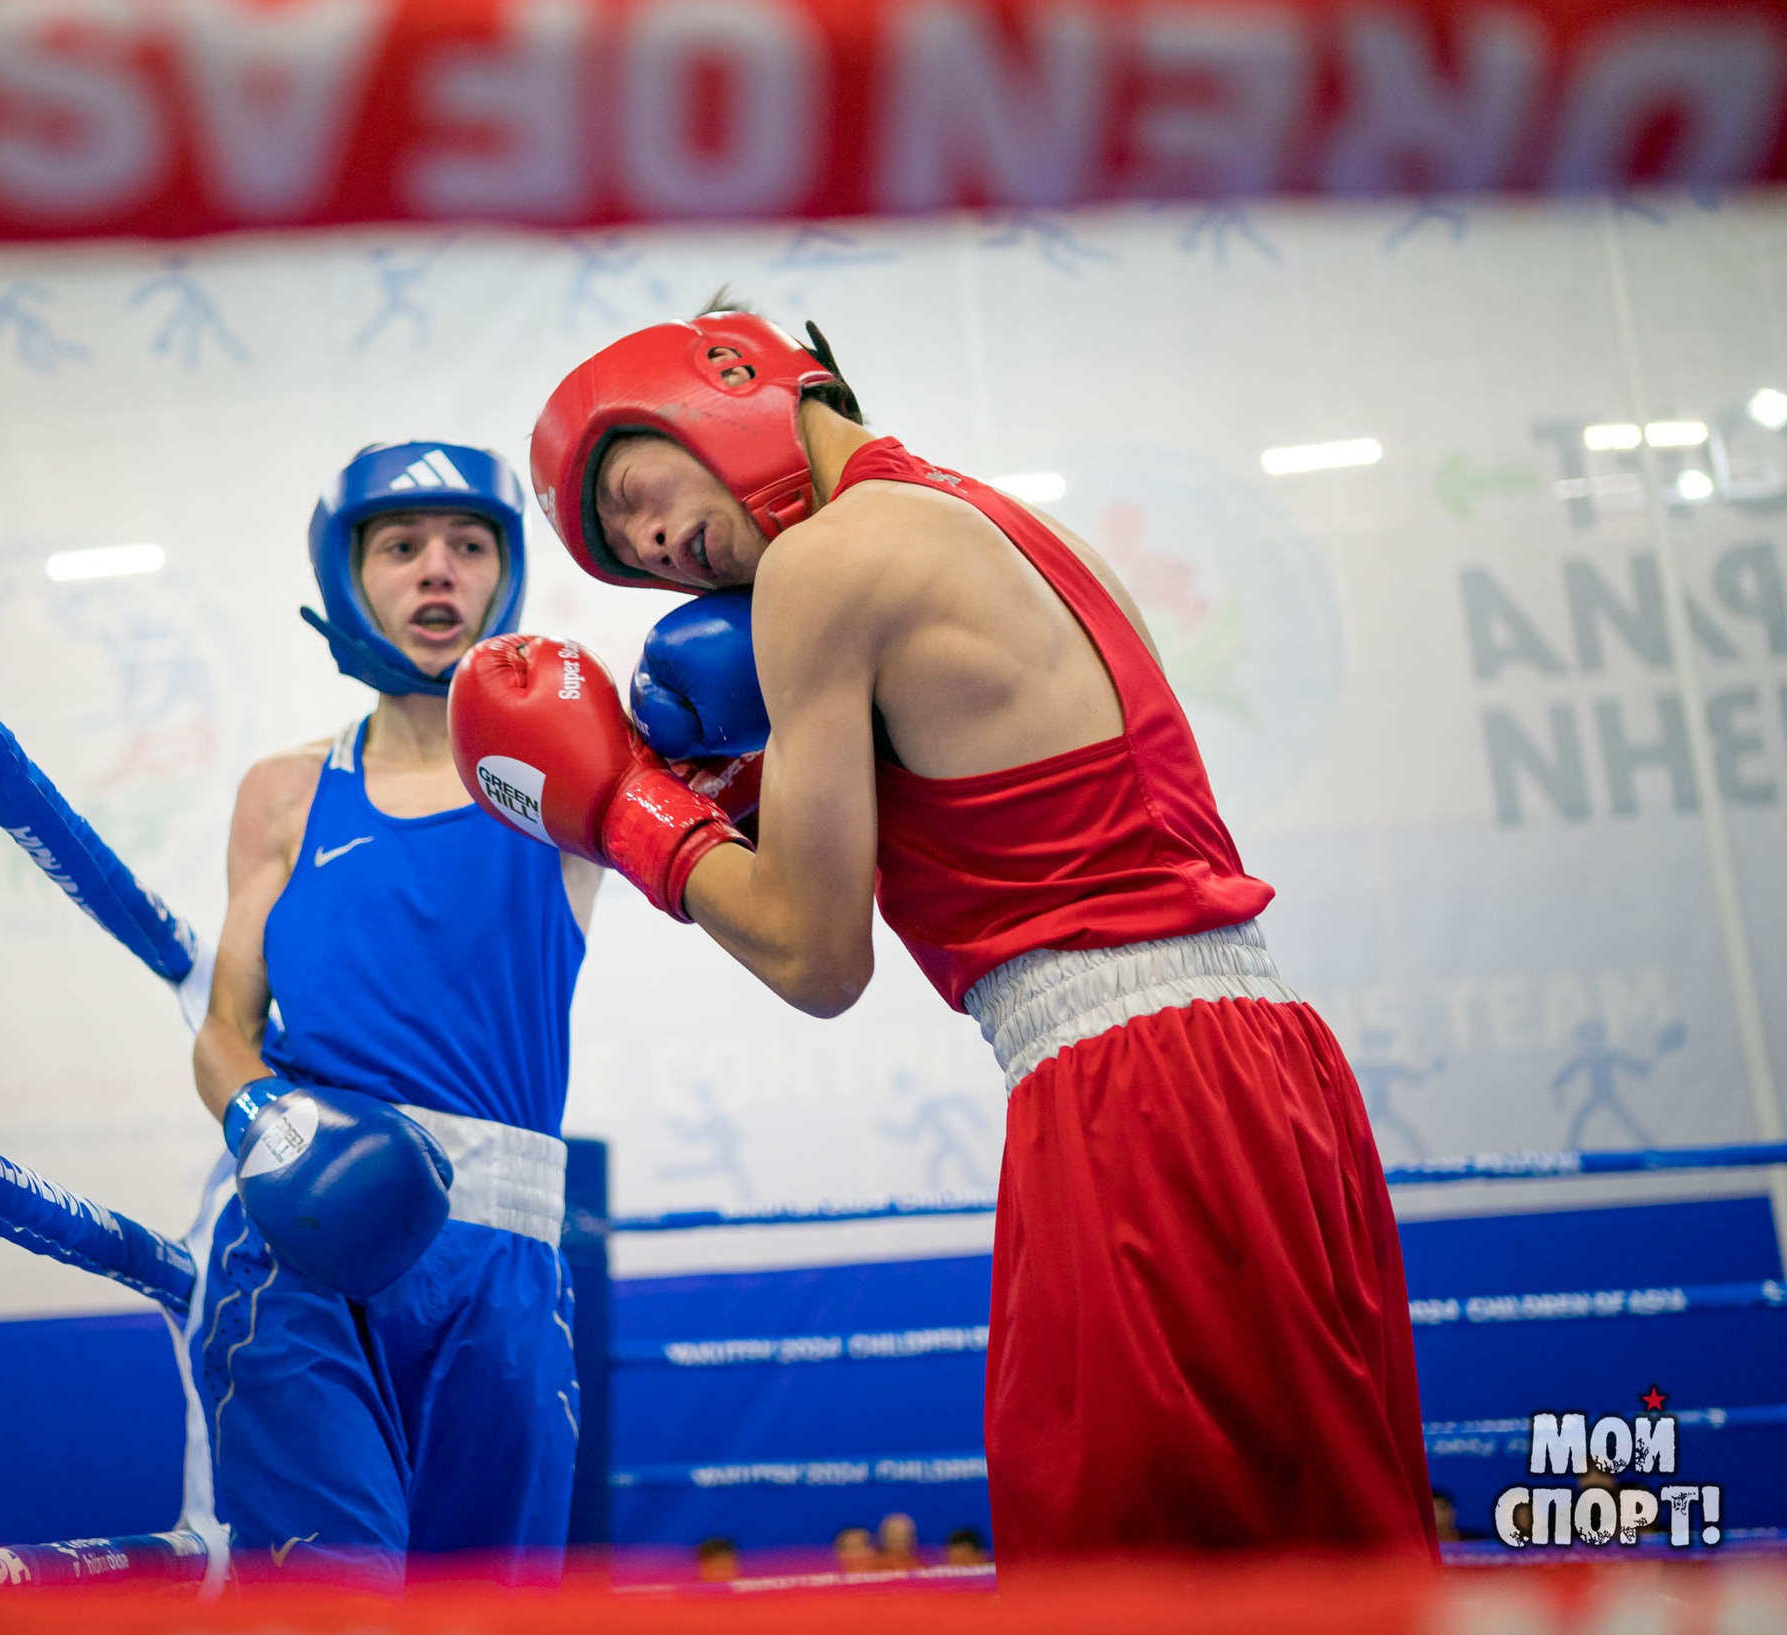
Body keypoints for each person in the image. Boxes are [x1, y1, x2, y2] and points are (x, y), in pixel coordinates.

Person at [449, 307, 1437, 1562]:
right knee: (1326, 1547)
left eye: (634, 493)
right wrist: (745, 788)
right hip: (1272, 1073)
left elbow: (817, 957)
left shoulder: (823, 570)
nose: (651, 546)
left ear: (728, 384)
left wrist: (633, 817)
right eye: (630, 555)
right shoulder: (1001, 523)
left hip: (1138, 1094)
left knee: (1122, 1564)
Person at [187, 441, 603, 1589]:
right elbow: (223, 1035)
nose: (438, 572)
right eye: (402, 546)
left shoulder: (570, 769)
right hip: (306, 1242)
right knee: (334, 1599)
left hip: (505, 1260)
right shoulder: (285, 790)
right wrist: (277, 1131)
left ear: (503, 573)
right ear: (349, 575)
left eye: (469, 546)